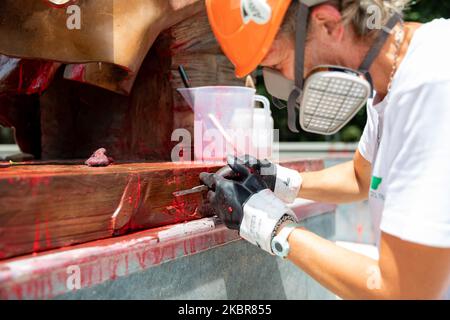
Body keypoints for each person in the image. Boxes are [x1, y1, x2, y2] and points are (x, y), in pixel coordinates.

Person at [200, 0, 450, 299]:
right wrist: (277, 181)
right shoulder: (391, 84)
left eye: (278, 65)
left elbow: (403, 291)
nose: (283, 90)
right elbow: (360, 178)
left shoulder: (433, 87)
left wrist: (270, 224)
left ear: (328, 25)